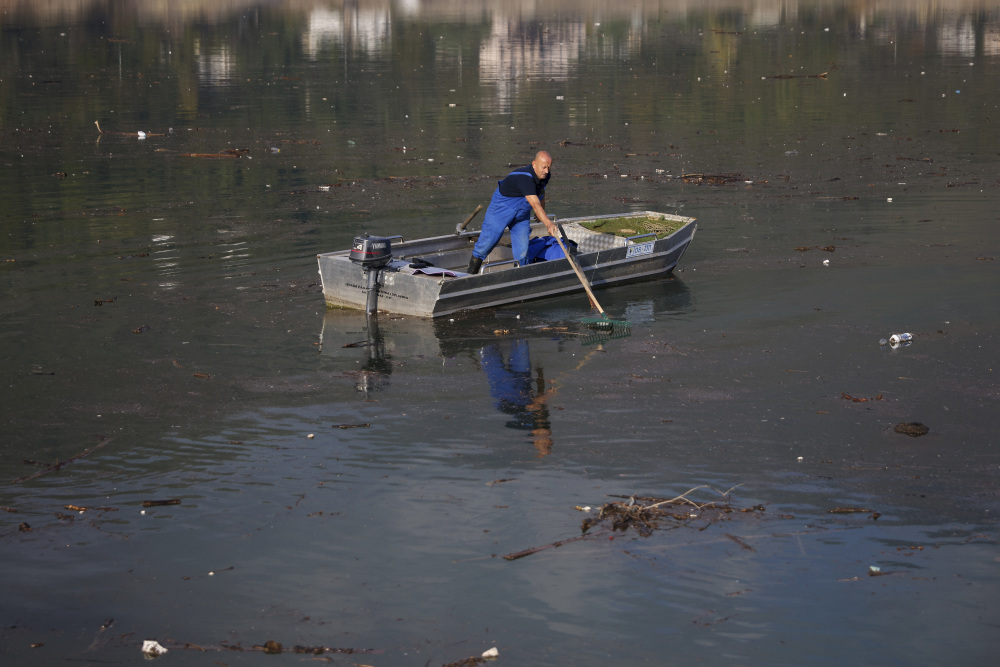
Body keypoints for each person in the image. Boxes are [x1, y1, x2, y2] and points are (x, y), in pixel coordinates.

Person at [467, 151, 559, 274]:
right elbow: (535, 204)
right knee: (487, 243)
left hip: (522, 213)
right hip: (502, 208)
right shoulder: (525, 178)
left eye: (549, 167)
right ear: (534, 164)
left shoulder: (545, 175)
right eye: (544, 167)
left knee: (522, 251)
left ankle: (522, 278)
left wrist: (541, 212)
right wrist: (548, 223)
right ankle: (469, 276)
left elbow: (541, 192)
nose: (547, 171)